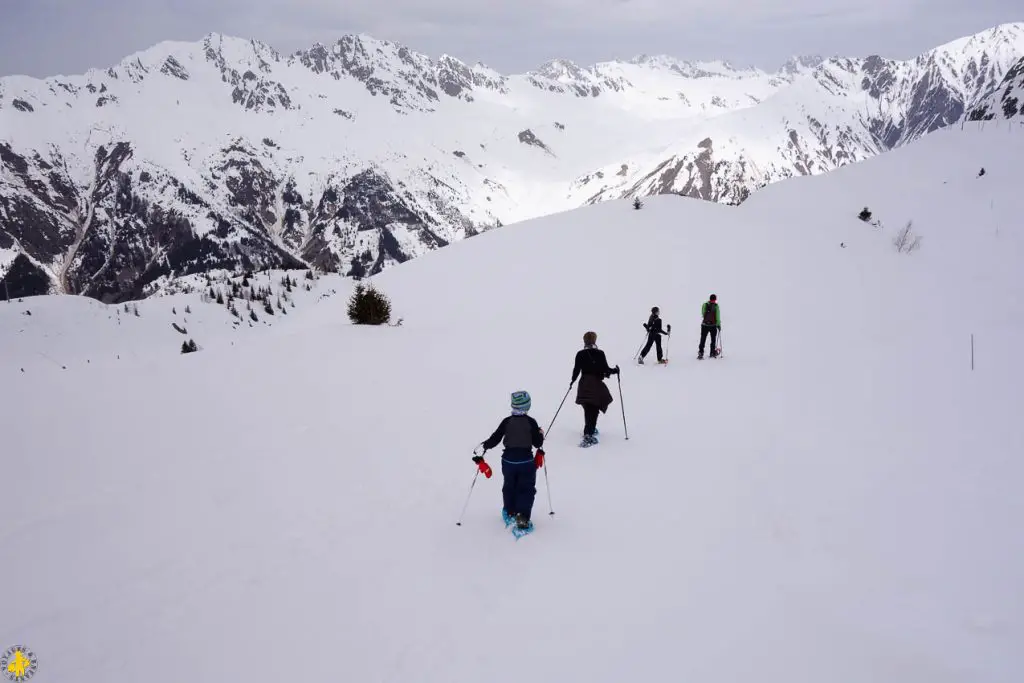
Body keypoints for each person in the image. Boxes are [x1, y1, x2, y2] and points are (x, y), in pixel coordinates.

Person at [477, 390, 545, 530]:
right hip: (526, 462)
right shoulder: (531, 422)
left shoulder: (506, 421)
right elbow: (537, 443)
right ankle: (523, 516)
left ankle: (510, 510)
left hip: (508, 461)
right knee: (526, 488)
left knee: (509, 485)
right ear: (527, 406)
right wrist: (540, 434)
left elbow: (496, 438)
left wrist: (486, 445)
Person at [571, 331, 619, 447]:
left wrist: (572, 381)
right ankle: (588, 433)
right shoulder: (600, 353)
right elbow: (606, 370)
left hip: (583, 383)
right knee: (593, 408)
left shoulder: (580, 354)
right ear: (595, 341)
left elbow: (576, 370)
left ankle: (590, 428)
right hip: (595, 384)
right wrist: (615, 371)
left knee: (588, 407)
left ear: (584, 341)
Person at [698, 294, 721, 359]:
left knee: (703, 338)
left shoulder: (705, 304)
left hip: (704, 325)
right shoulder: (716, 306)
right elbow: (718, 317)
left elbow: (703, 313)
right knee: (713, 339)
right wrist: (718, 325)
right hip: (713, 325)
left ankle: (701, 352)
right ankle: (712, 353)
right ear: (715, 299)